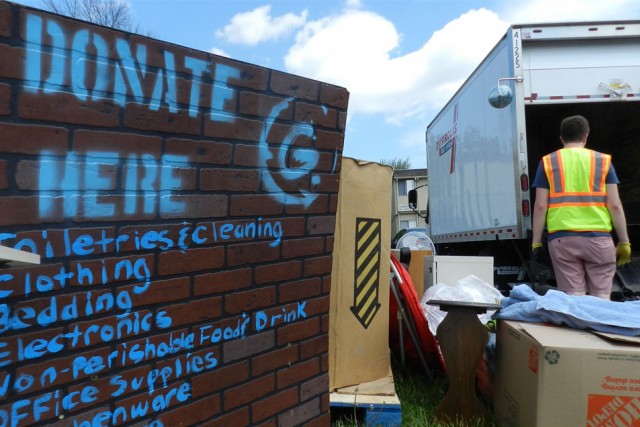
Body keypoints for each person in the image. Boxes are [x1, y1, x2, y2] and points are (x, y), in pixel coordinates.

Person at [531, 115, 631, 299]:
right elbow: (615, 205)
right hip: (599, 239)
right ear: (585, 136)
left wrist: (536, 242)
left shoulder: (548, 162)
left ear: (561, 138)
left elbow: (540, 206)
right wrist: (624, 241)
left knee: (573, 299)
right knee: (602, 298)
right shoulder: (603, 161)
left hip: (562, 239)